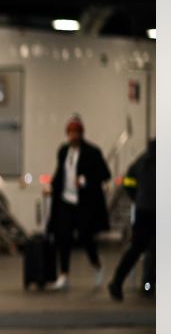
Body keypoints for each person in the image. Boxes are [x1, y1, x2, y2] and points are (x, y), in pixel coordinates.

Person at [45, 115, 111, 289]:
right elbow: (60, 173)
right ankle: (64, 274)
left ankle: (96, 265)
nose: (73, 136)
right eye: (71, 132)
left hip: (84, 203)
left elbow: (105, 174)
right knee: (63, 237)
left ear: (81, 133)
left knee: (85, 237)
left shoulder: (92, 152)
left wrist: (85, 180)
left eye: (76, 132)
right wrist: (52, 186)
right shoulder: (63, 151)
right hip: (65, 200)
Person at [108, 139, 155, 300]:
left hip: (143, 210)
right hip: (156, 209)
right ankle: (148, 286)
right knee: (154, 250)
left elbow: (128, 179)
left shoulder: (143, 158)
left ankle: (118, 282)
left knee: (137, 248)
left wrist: (135, 196)